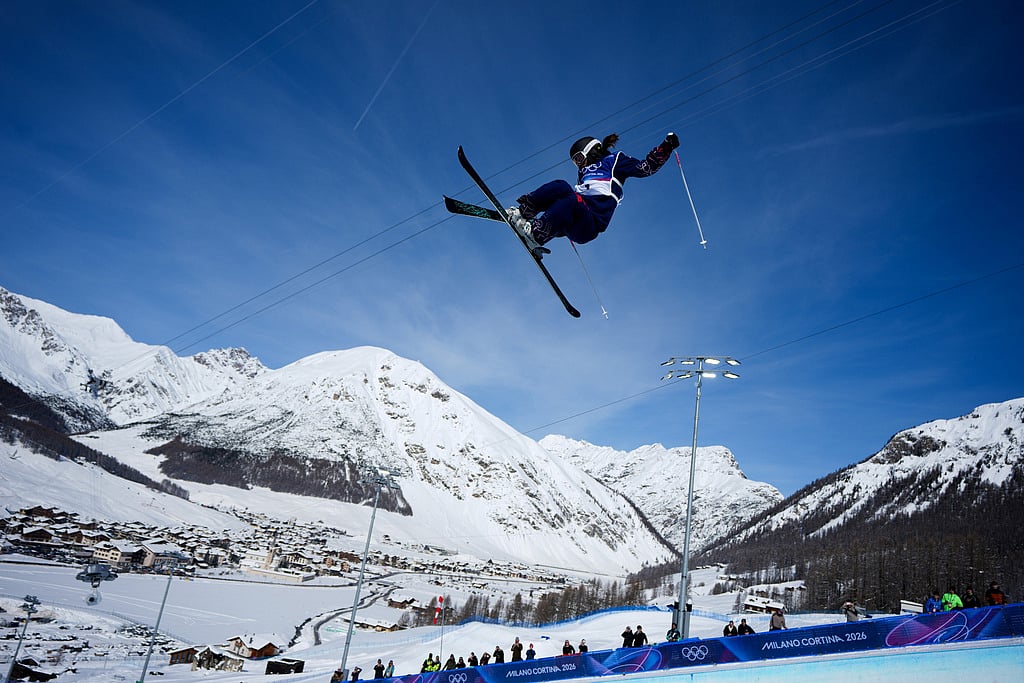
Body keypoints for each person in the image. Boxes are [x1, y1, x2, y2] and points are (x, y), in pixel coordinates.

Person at [507, 132, 680, 257]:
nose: (579, 166)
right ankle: (523, 213)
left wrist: (666, 147)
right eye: (576, 163)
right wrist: (538, 200)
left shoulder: (614, 161)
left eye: (579, 159)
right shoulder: (583, 174)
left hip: (589, 225)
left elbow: (645, 168)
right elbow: (562, 203)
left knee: (573, 199)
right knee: (560, 186)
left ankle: (536, 235)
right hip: (572, 217)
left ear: (593, 151)